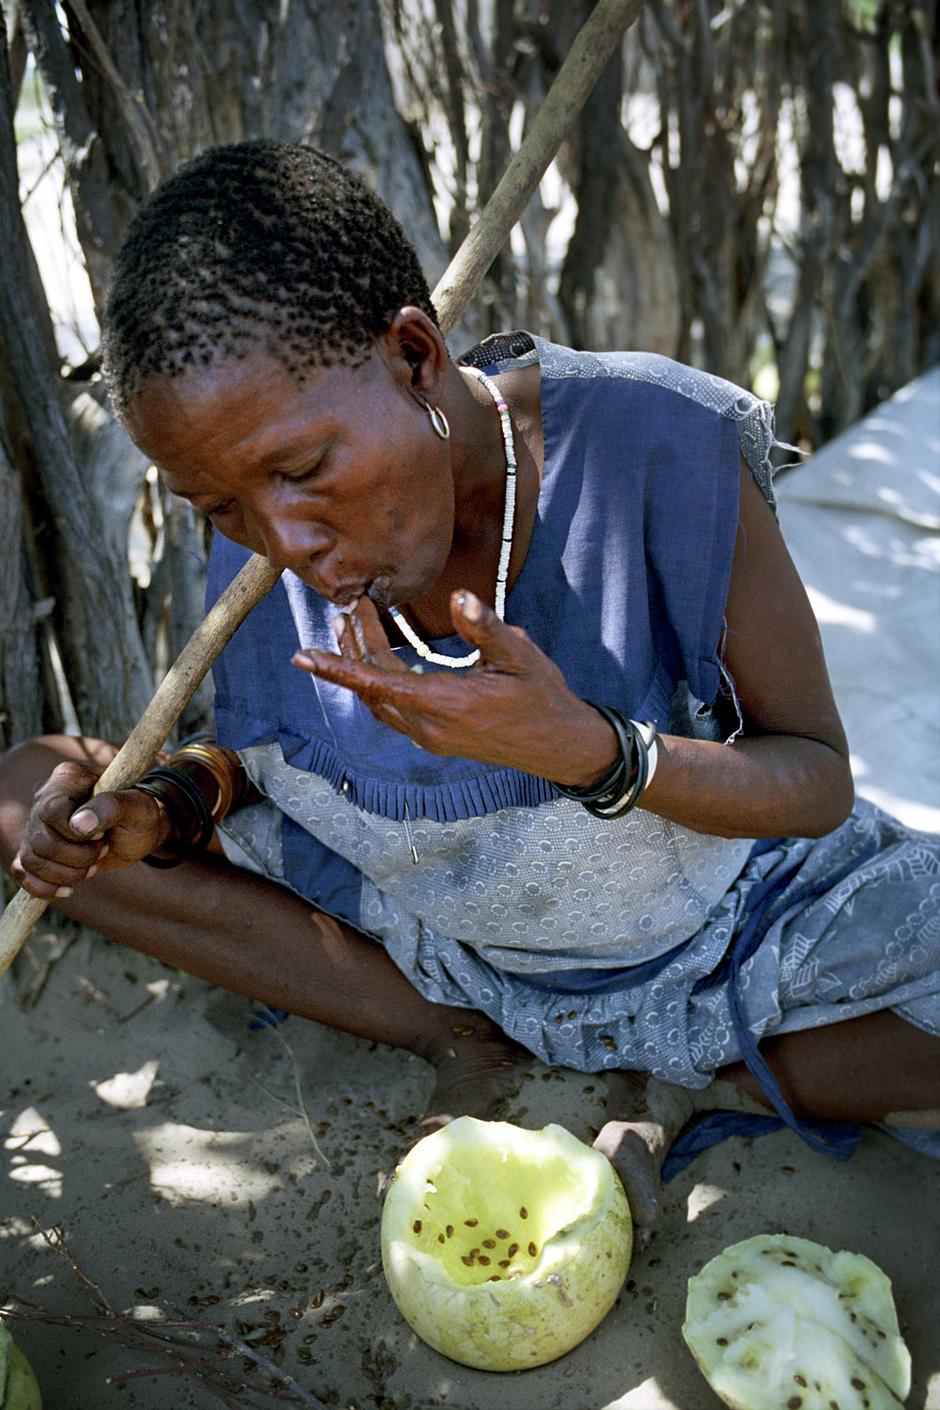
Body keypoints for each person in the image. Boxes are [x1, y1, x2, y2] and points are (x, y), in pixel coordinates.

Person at [1, 141, 937, 1228]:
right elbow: (262, 764)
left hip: (722, 934)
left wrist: (594, 751)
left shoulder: (651, 448)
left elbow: (814, 780)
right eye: (218, 508)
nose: (283, 540)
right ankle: (455, 1037)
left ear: (413, 355)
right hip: (444, 945)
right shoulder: (268, 518)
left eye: (303, 473)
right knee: (26, 792)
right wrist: (159, 807)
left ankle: (705, 1084)